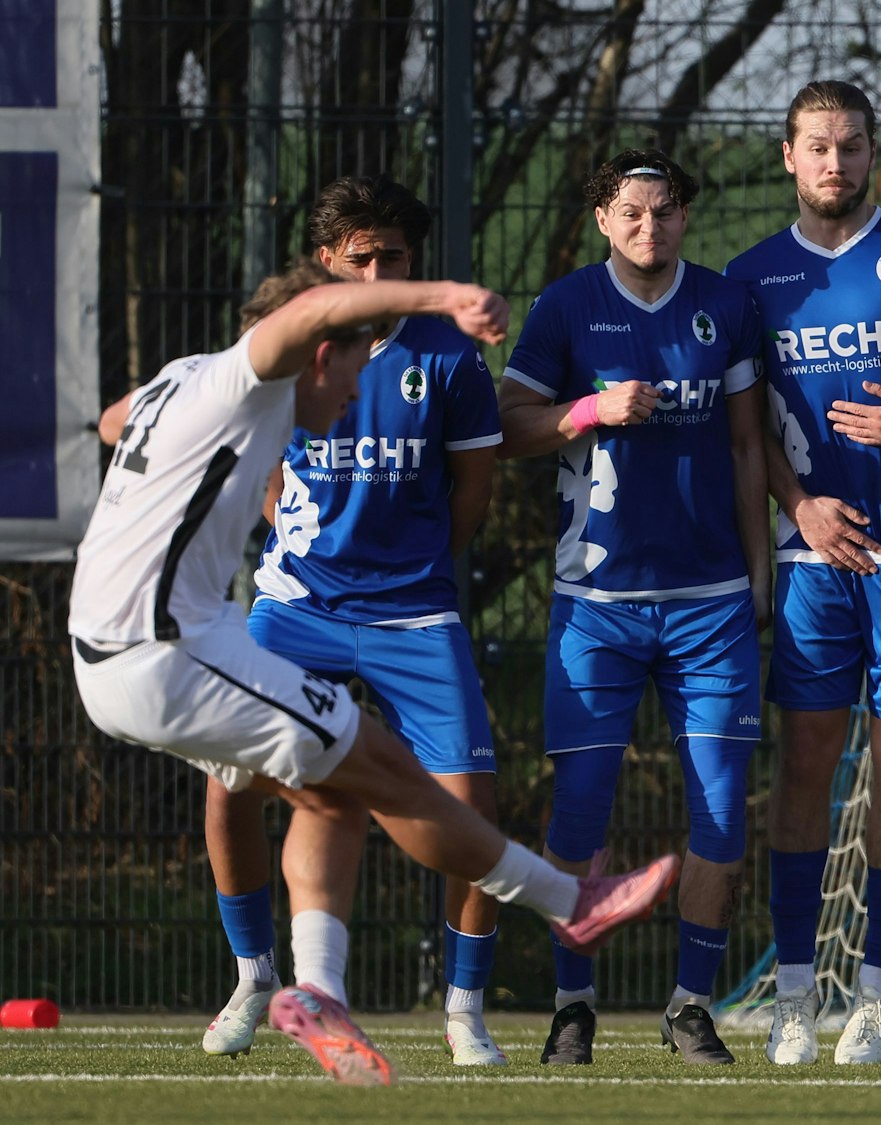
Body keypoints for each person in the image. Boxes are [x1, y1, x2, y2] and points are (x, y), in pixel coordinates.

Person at [70, 260, 677, 1086]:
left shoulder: (185, 378)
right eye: (355, 367)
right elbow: (313, 309)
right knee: (381, 763)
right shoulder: (247, 379)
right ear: (316, 351)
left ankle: (317, 993)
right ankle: (572, 903)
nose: (358, 394)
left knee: (332, 791)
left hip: (121, 650)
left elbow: (115, 422)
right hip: (163, 652)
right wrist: (446, 298)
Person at [111, 176, 511, 1067]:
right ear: (326, 260)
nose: (376, 273)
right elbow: (249, 451)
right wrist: (284, 521)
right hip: (297, 606)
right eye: (359, 257)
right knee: (229, 787)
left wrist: (415, 569)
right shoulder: (288, 346)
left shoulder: (450, 356)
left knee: (473, 811)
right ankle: (255, 977)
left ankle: (465, 1008)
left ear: (414, 261)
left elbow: (472, 490)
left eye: (393, 257)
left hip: (415, 613)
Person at [497, 149, 769, 1067]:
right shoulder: (565, 305)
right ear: (604, 220)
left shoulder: (727, 304)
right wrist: (589, 410)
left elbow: (747, 447)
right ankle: (572, 1004)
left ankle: (690, 1004)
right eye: (632, 212)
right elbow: (506, 425)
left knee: (722, 811)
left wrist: (758, 572)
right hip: (596, 606)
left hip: (710, 605)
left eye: (665, 210)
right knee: (579, 810)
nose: (650, 226)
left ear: (685, 215)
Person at [725, 79, 881, 1066]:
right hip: (812, 550)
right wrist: (799, 506)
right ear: (788, 155)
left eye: (853, 145)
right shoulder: (751, 276)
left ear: (875, 152)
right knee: (804, 760)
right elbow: (748, 429)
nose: (837, 163)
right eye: (819, 147)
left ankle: (874, 996)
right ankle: (794, 997)